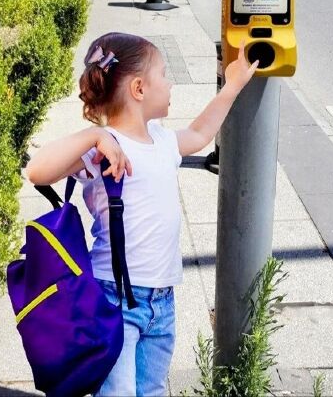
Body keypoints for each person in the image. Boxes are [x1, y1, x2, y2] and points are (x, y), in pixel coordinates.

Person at [26, 32, 258, 397]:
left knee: (150, 391)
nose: (170, 82)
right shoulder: (105, 148)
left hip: (162, 302)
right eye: (164, 74)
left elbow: (198, 133)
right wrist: (93, 136)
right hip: (113, 299)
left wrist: (232, 86)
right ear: (139, 88)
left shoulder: (162, 140)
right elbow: (38, 171)